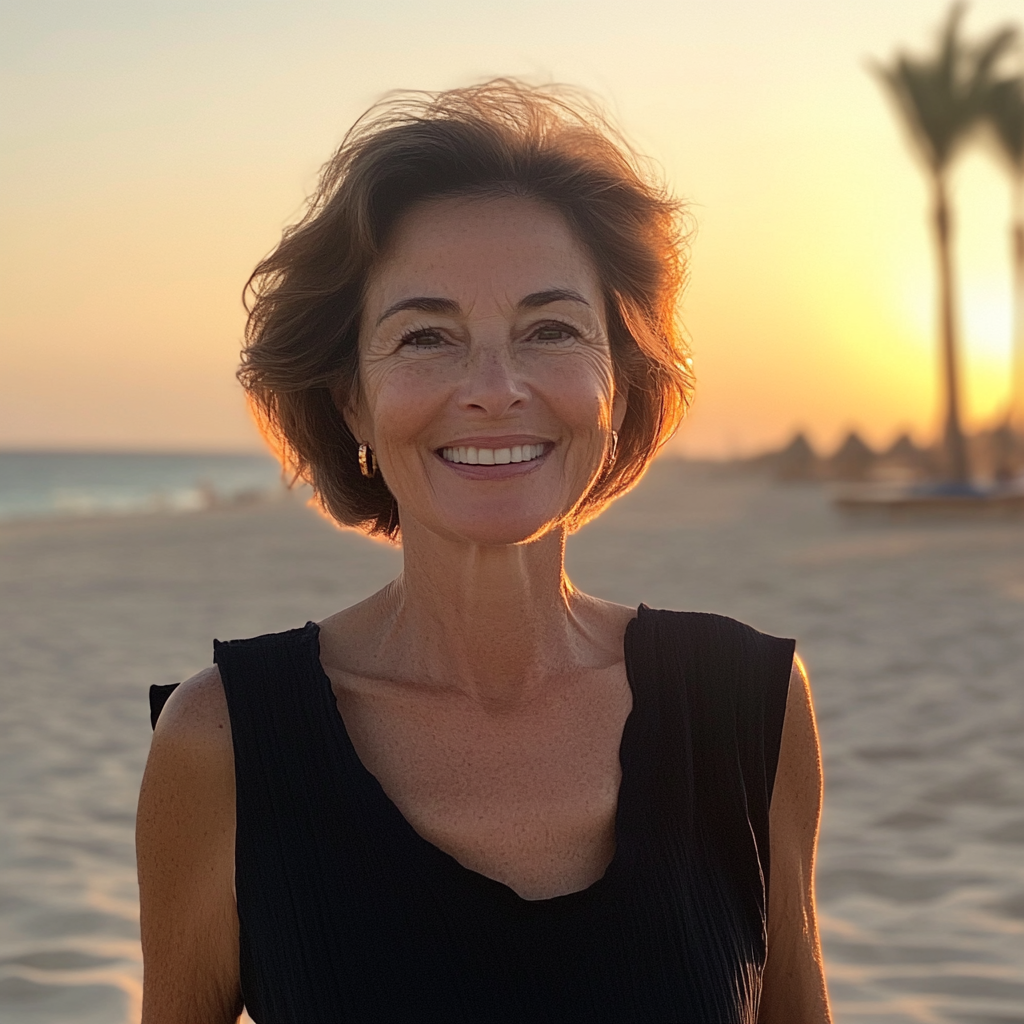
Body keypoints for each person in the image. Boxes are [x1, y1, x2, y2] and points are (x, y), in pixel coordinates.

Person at [136, 80, 832, 1024]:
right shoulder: (222, 742)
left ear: (619, 383)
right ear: (352, 400)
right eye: (426, 336)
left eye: (552, 330)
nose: (495, 389)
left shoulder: (748, 709)